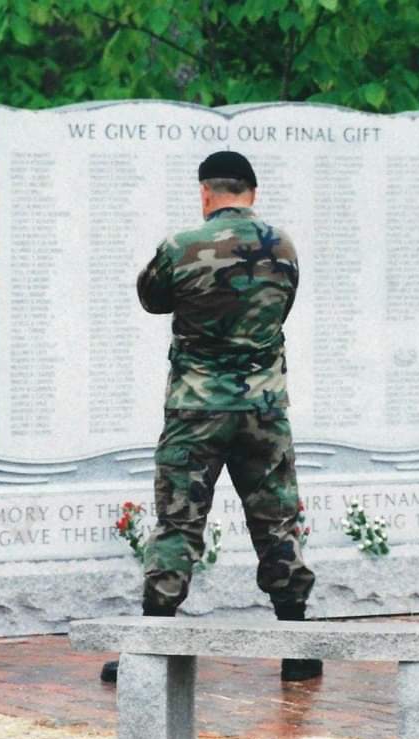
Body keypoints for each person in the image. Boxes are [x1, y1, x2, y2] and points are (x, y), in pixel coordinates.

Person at [100, 150, 320, 684]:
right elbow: (282, 306)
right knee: (277, 521)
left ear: (205, 193)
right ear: (252, 192)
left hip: (196, 409)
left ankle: (154, 644)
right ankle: (296, 646)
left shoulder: (181, 247)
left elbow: (152, 300)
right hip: (264, 410)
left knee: (179, 521)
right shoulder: (284, 246)